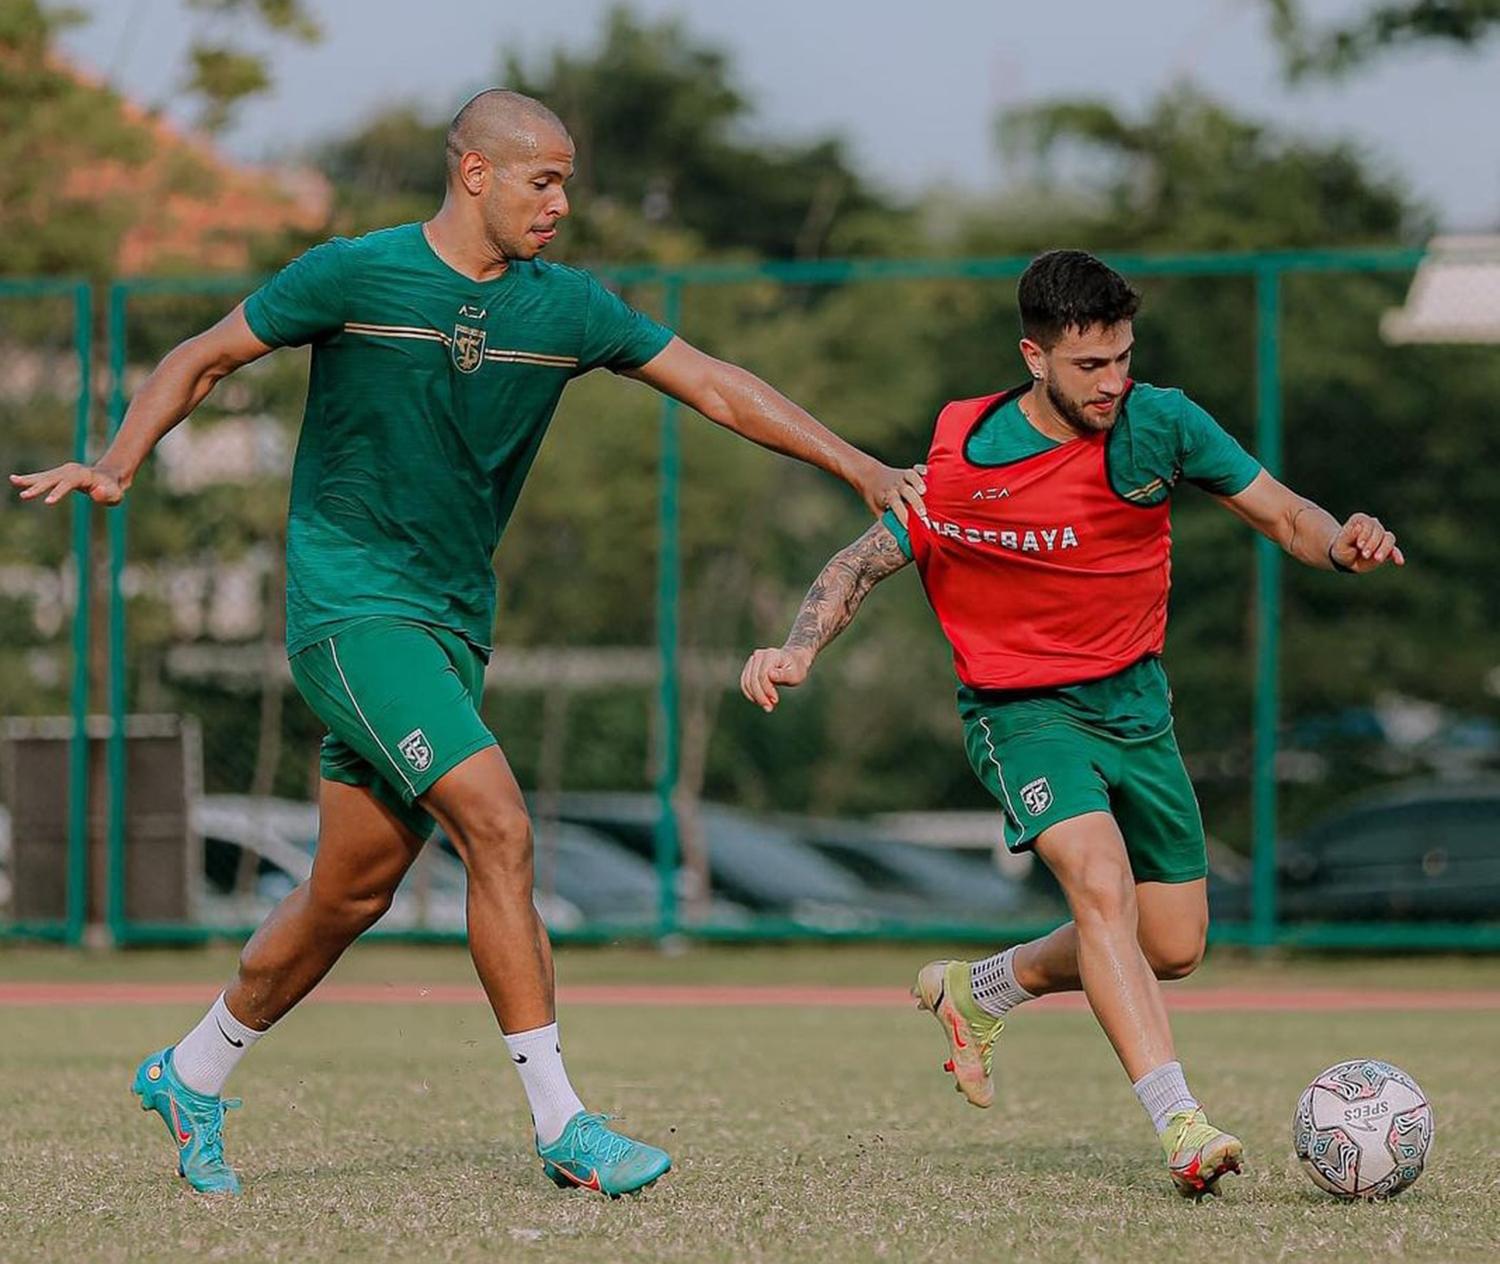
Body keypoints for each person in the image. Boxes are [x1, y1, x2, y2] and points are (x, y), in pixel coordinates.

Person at [11, 89, 925, 1199]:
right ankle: (564, 1124)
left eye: (569, 179)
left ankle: (191, 1071)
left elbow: (718, 389)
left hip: (452, 622)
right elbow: (204, 358)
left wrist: (863, 469)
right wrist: (118, 459)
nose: (562, 201)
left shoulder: (570, 308)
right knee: (497, 819)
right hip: (350, 609)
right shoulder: (353, 274)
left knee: (348, 892)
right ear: (475, 172)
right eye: (544, 179)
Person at [739, 249, 1402, 1198]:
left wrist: (1344, 540)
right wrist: (798, 648)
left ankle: (982, 990)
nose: (1113, 382)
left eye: (1123, 358)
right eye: (1091, 365)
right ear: (1034, 356)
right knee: (1097, 882)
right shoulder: (964, 456)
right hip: (1021, 715)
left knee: (1170, 945)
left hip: (1138, 710)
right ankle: (1183, 1126)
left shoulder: (1161, 425)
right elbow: (857, 562)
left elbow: (1286, 515)